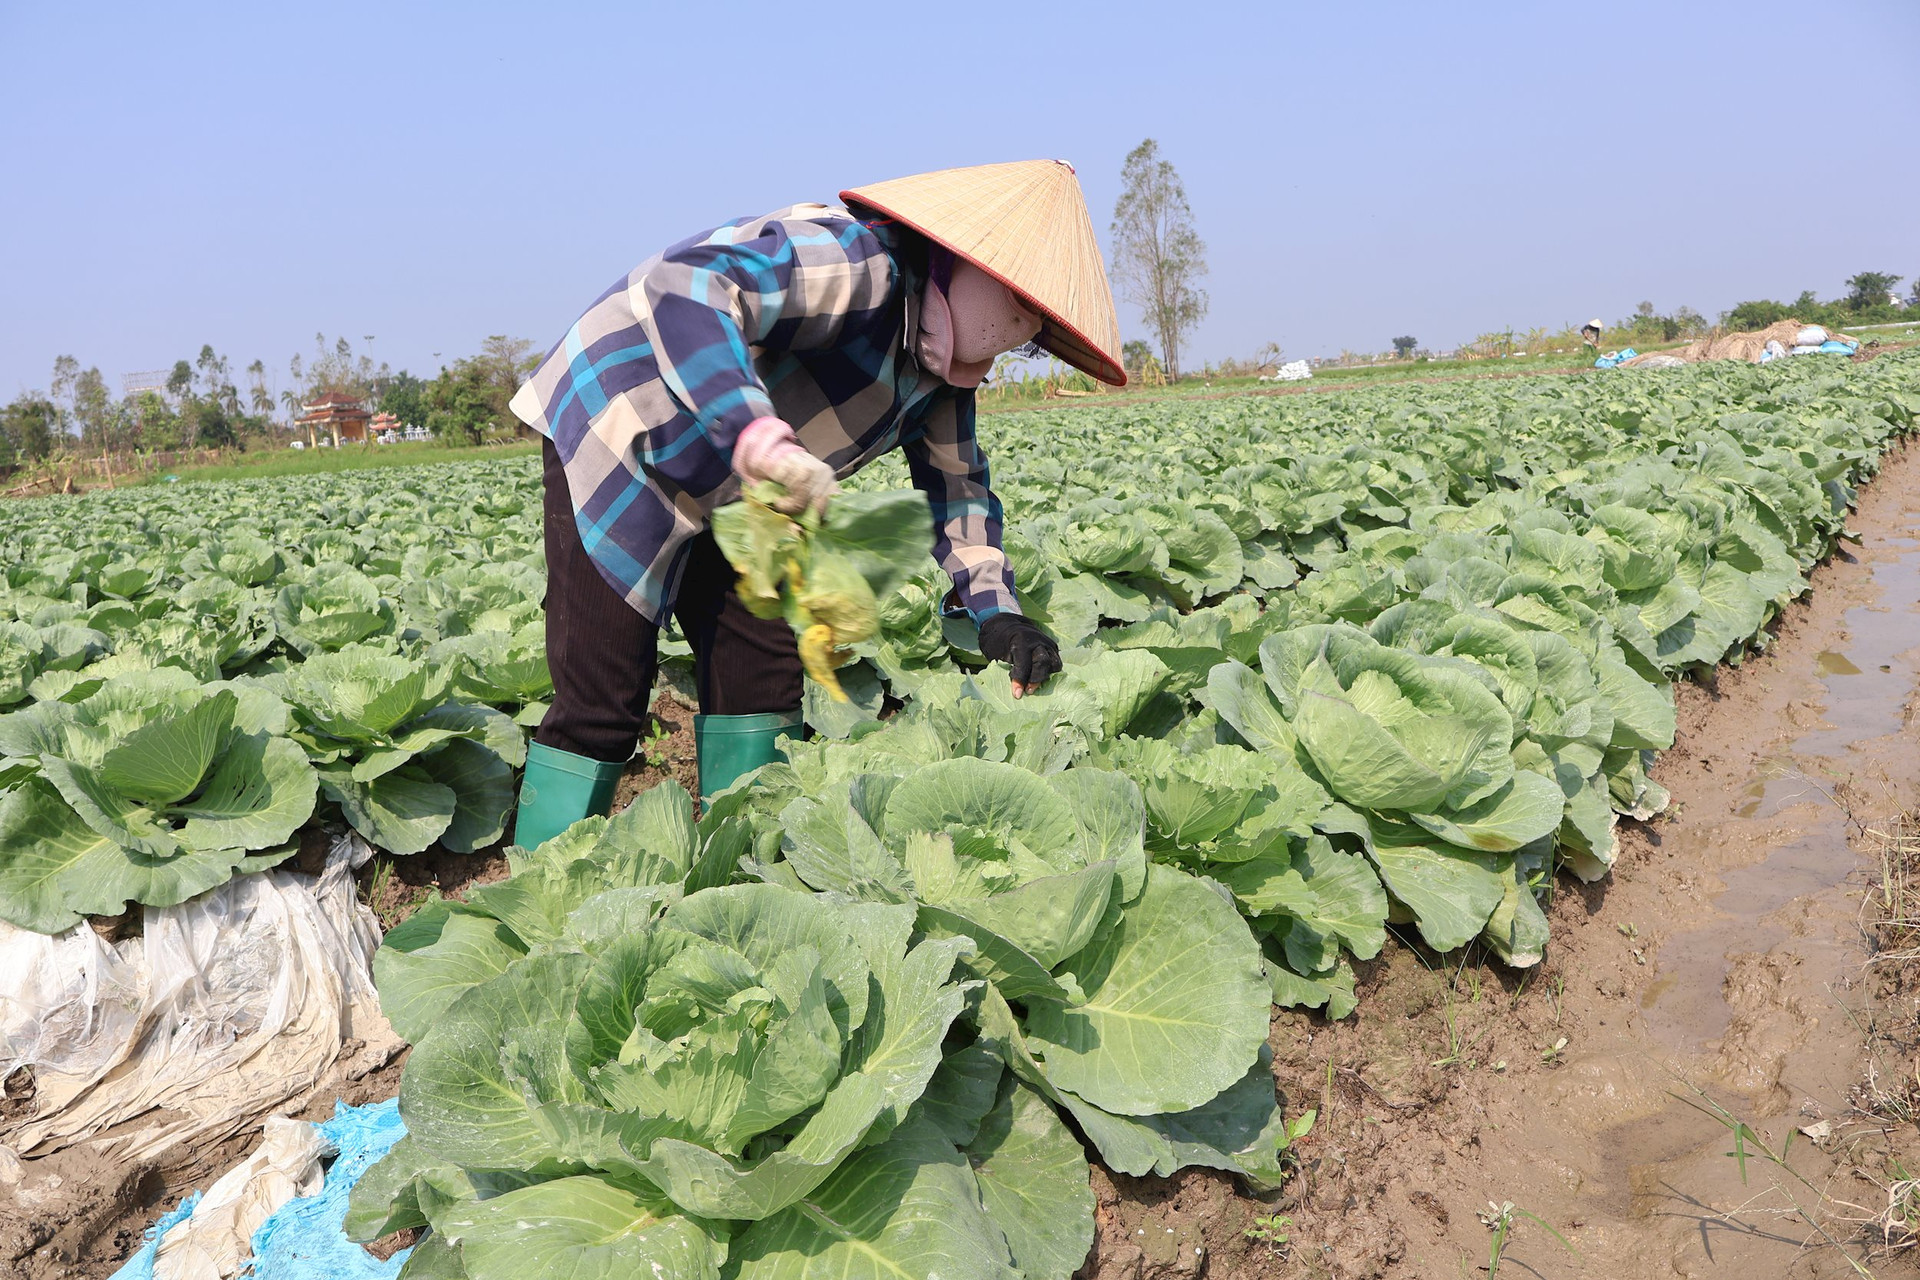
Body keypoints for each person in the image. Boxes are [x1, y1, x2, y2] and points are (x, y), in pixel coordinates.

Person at [506, 159, 1127, 848]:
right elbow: (681, 285)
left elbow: (959, 491)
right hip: (625, 416)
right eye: (1017, 305)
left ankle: (737, 870)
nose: (1016, 334)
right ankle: (541, 895)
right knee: (605, 695)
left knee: (762, 669)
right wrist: (755, 430)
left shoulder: (940, 375)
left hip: (745, 482)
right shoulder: (859, 262)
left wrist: (1000, 615)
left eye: (1032, 328)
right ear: (963, 263)